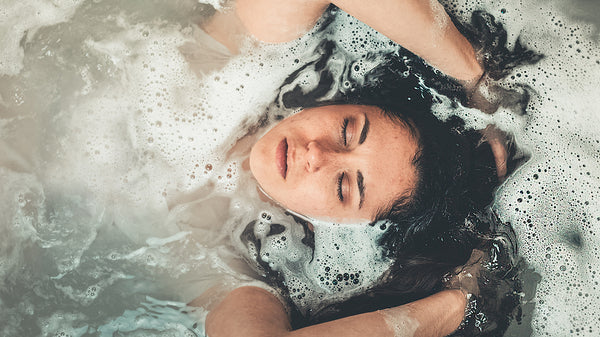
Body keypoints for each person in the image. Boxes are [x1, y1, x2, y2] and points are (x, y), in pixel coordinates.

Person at [187, 0, 535, 336]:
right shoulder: (227, 63)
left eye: (343, 186)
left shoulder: (231, 269)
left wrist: (457, 304)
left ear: (337, 231)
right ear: (344, 99)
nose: (316, 155)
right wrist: (476, 78)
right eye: (347, 130)